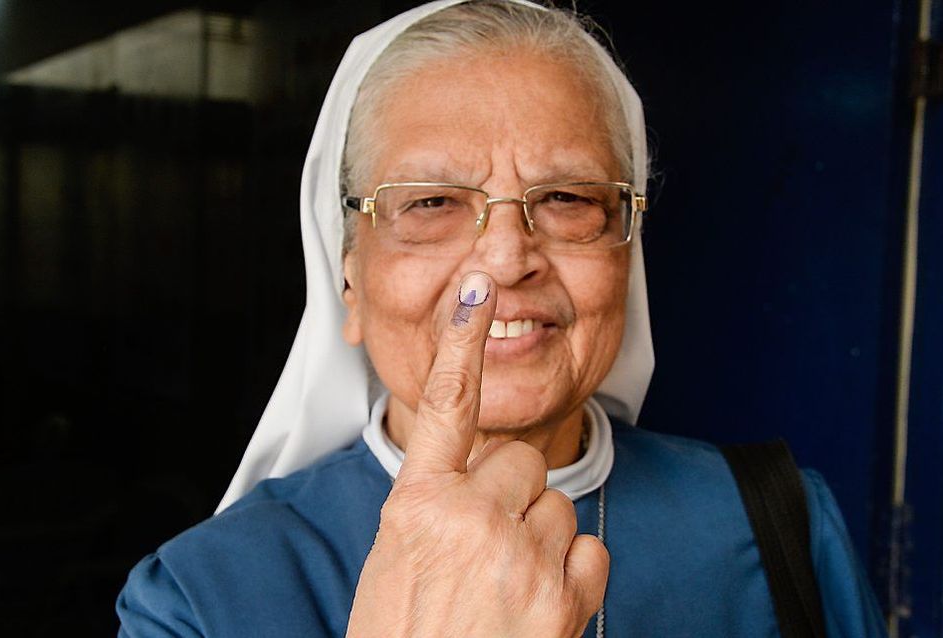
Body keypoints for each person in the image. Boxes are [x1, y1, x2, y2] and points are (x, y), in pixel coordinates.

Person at [116, 1, 887, 636]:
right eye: (431, 203)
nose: (505, 258)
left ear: (627, 256)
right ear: (347, 280)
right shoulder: (201, 599)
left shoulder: (777, 522)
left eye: (567, 199)